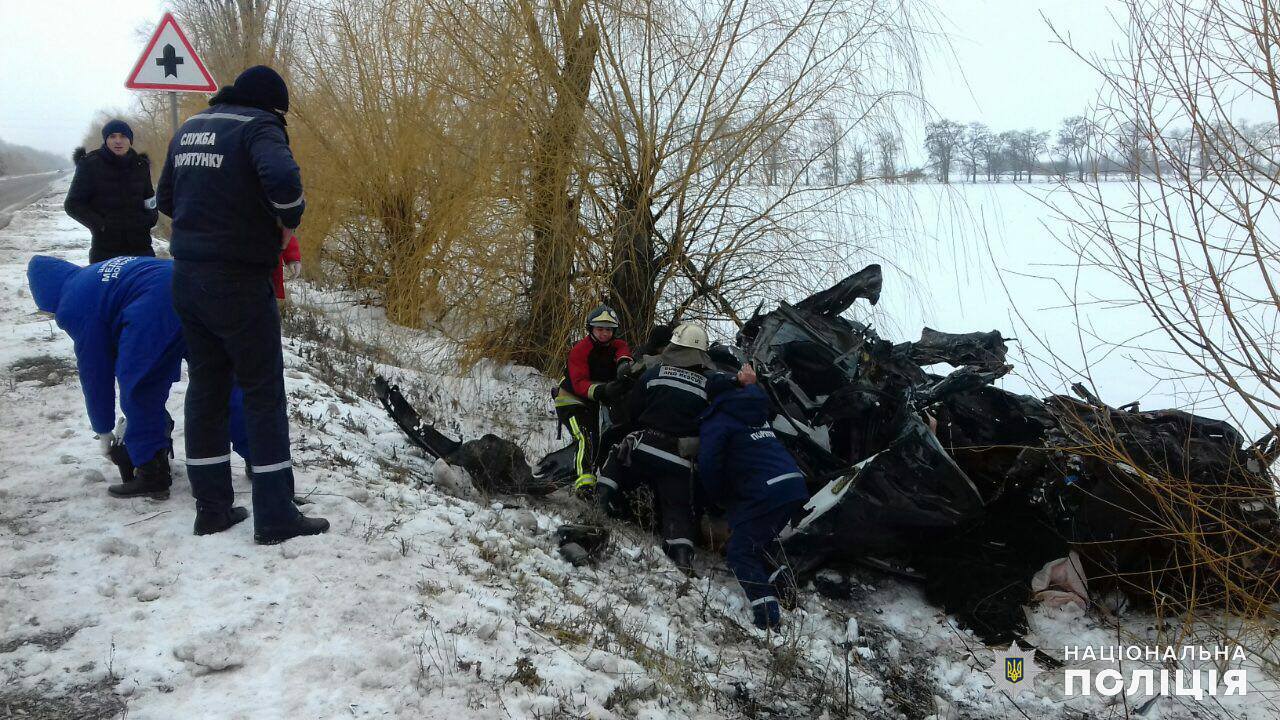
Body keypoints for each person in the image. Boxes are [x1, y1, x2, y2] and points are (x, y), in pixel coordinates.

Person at [156, 65, 328, 544]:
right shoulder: (260, 125)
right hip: (238, 280)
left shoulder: (190, 127)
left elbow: (165, 198)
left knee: (207, 388)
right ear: (273, 105)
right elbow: (285, 183)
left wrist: (209, 216)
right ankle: (275, 516)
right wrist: (285, 220)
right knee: (262, 392)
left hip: (187, 278)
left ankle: (211, 508)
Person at [26, 255, 250, 521]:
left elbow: (95, 370)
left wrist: (103, 428)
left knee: (140, 387)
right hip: (198, 283)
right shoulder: (94, 276)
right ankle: (258, 456)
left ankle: (151, 472)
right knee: (222, 379)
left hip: (158, 305)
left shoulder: (73, 303)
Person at [596, 321, 724, 575]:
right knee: (678, 507)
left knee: (616, 462)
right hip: (680, 459)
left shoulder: (655, 374)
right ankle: (682, 554)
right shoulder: (708, 387)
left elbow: (633, 411)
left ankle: (598, 506)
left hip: (645, 446)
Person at [698, 380, 809, 630]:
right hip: (792, 484)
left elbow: (708, 465)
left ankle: (768, 619)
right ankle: (784, 588)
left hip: (766, 490)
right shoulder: (755, 411)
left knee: (740, 552)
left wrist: (716, 498)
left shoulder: (718, 419)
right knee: (759, 543)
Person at [554, 304, 634, 494]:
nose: (604, 333)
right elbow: (580, 383)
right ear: (591, 329)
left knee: (600, 439)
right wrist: (603, 390)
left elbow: (623, 351)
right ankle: (585, 485)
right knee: (585, 437)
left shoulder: (618, 345)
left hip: (594, 402)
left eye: (608, 329)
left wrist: (624, 365)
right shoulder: (580, 350)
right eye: (599, 329)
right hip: (570, 400)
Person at [64, 119, 159, 263]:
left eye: (123, 136)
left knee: (143, 285)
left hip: (141, 248)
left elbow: (149, 199)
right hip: (105, 251)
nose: (118, 141)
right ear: (106, 140)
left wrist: (150, 219)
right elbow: (73, 204)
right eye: (112, 136)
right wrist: (102, 225)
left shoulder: (140, 165)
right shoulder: (90, 165)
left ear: (130, 140)